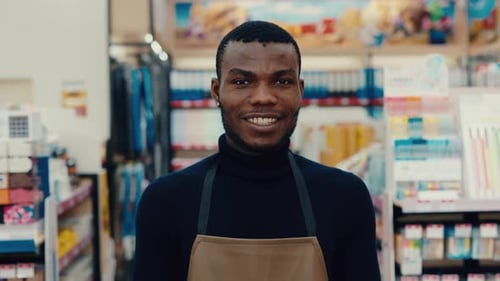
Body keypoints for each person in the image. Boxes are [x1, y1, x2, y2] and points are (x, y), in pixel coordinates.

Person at [133, 20, 381, 281]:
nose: (263, 96)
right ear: (217, 92)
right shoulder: (166, 202)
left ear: (300, 90)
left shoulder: (345, 198)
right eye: (242, 81)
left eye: (282, 81)